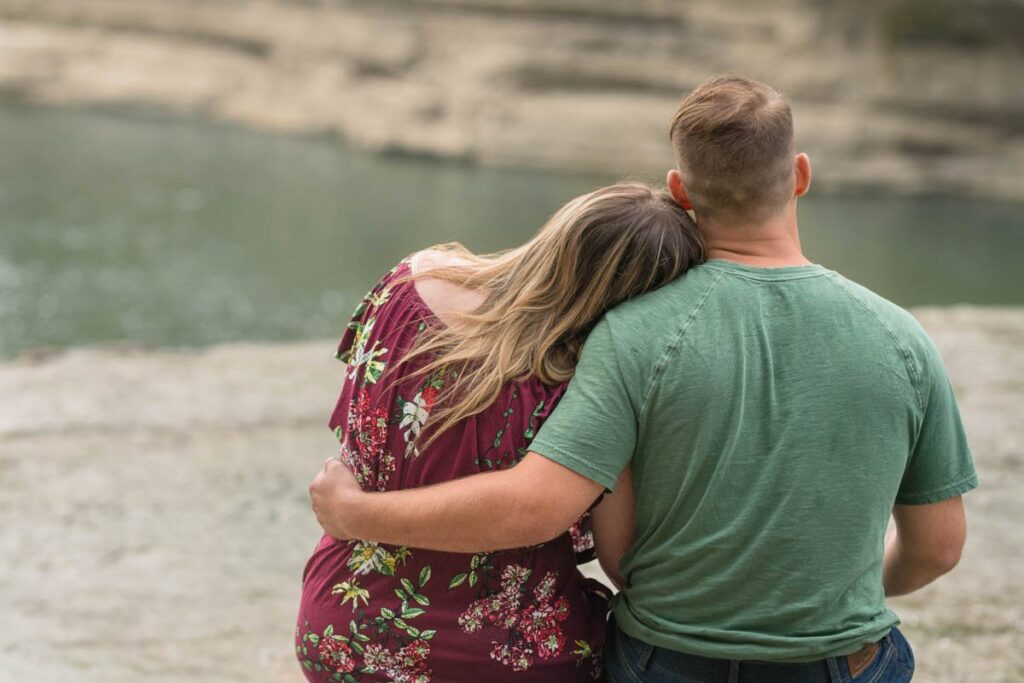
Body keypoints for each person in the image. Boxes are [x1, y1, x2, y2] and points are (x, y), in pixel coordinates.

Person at [310, 76, 978, 683]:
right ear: (800, 174)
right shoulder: (902, 339)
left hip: (669, 661)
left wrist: (354, 513)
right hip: (839, 662)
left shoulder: (629, 335)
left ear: (681, 190)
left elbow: (612, 553)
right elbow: (939, 547)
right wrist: (848, 593)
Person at [297, 183, 704, 682]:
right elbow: (623, 561)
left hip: (346, 624)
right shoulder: (591, 389)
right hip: (507, 652)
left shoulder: (410, 280)